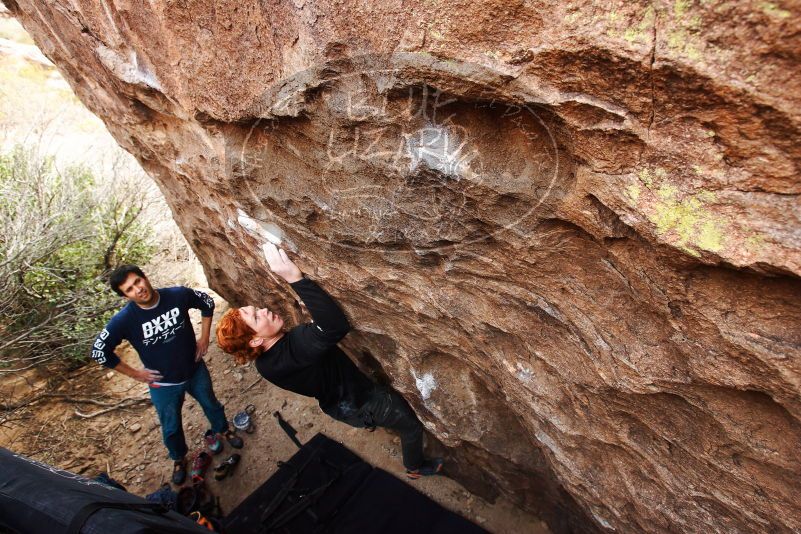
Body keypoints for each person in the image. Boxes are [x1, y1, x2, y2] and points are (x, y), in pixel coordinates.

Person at [215, 244, 442, 479]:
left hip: (338, 405)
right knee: (409, 424)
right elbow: (334, 326)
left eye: (256, 309)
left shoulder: (264, 363)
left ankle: (374, 424)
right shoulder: (296, 347)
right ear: (254, 341)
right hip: (362, 401)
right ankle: (414, 467)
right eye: (256, 317)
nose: (263, 310)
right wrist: (295, 278)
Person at [89, 265, 243, 485]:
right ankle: (179, 459)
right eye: (130, 289)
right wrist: (136, 374)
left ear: (145, 277)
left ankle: (223, 430)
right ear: (125, 296)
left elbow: (206, 303)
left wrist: (204, 337)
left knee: (211, 403)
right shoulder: (124, 320)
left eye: (138, 281)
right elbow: (99, 351)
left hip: (195, 369)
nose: (138, 289)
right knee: (171, 426)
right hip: (164, 384)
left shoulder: (177, 295)